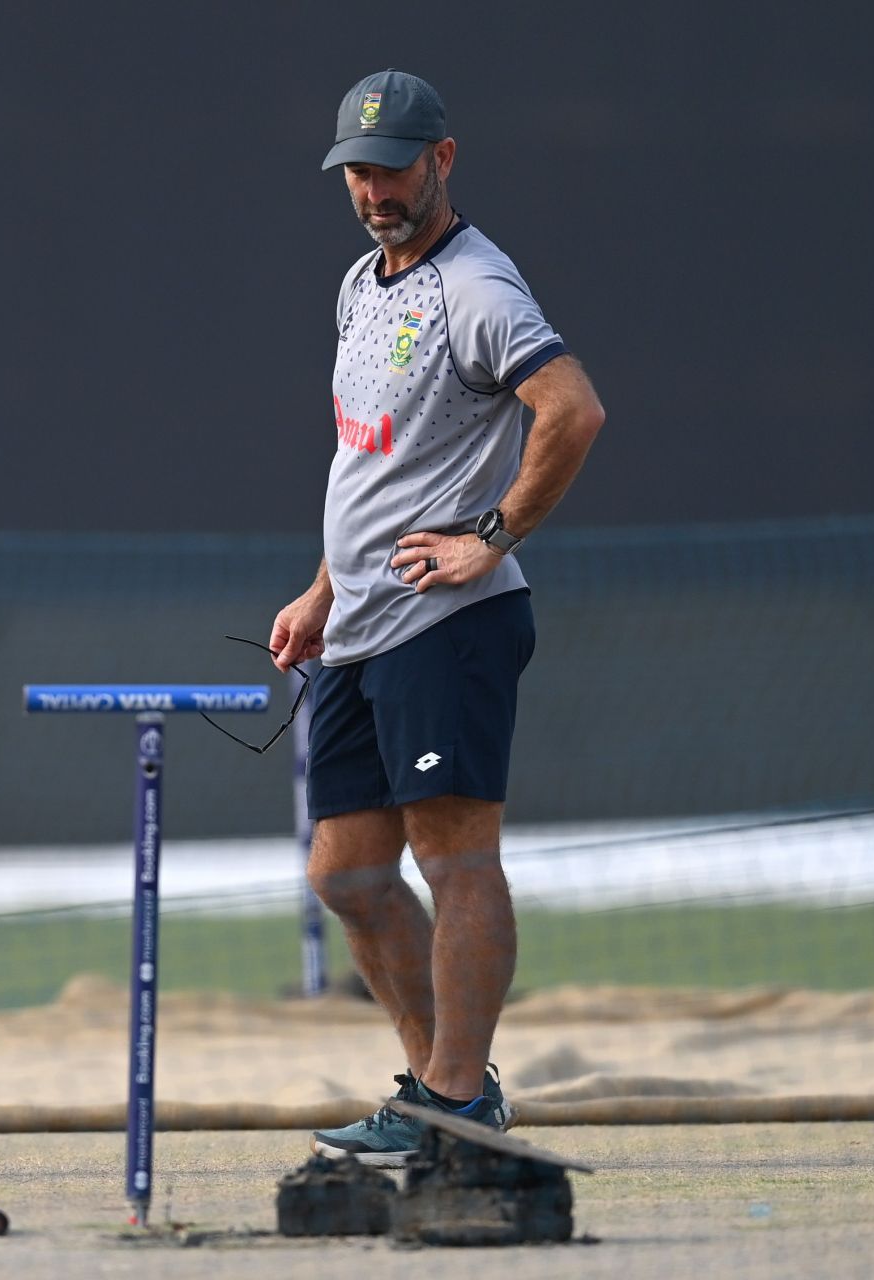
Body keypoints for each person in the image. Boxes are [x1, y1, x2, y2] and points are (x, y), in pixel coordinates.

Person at [269, 71, 606, 1164]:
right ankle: (439, 1098)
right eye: (358, 169)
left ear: (443, 160)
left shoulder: (478, 287)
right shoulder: (360, 284)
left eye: (394, 165)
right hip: (362, 623)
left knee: (456, 858)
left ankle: (457, 1094)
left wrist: (490, 537)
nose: (374, 187)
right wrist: (323, 590)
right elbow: (369, 457)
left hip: (448, 622)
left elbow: (573, 409)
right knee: (347, 875)